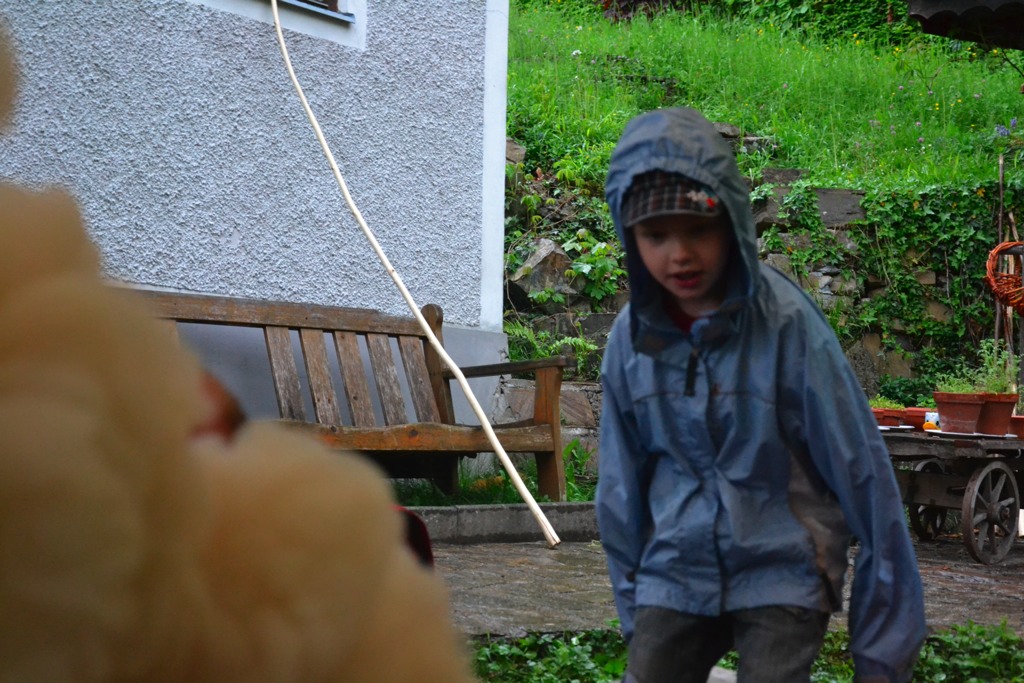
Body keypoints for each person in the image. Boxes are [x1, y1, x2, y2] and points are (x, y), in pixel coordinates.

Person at [595, 107, 926, 683]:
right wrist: (637, 608)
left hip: (785, 564)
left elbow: (863, 473)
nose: (679, 253)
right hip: (677, 567)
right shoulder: (631, 340)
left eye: (698, 229)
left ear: (731, 221)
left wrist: (882, 656)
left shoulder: (788, 325)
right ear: (630, 236)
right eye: (655, 235)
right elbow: (620, 489)